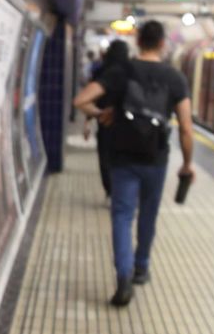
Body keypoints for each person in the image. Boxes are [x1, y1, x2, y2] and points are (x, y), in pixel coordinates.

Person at [73, 21, 195, 306]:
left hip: (122, 156)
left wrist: (101, 113)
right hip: (156, 158)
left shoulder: (121, 71)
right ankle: (142, 267)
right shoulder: (175, 78)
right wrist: (187, 164)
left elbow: (81, 100)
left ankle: (124, 277)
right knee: (148, 213)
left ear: (138, 41)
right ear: (163, 43)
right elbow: (187, 129)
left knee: (122, 215)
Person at [86, 41, 131, 198]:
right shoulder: (131, 71)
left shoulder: (101, 71)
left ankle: (110, 190)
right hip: (126, 124)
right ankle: (122, 190)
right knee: (122, 158)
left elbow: (88, 99)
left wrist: (91, 118)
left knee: (105, 156)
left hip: (104, 122)